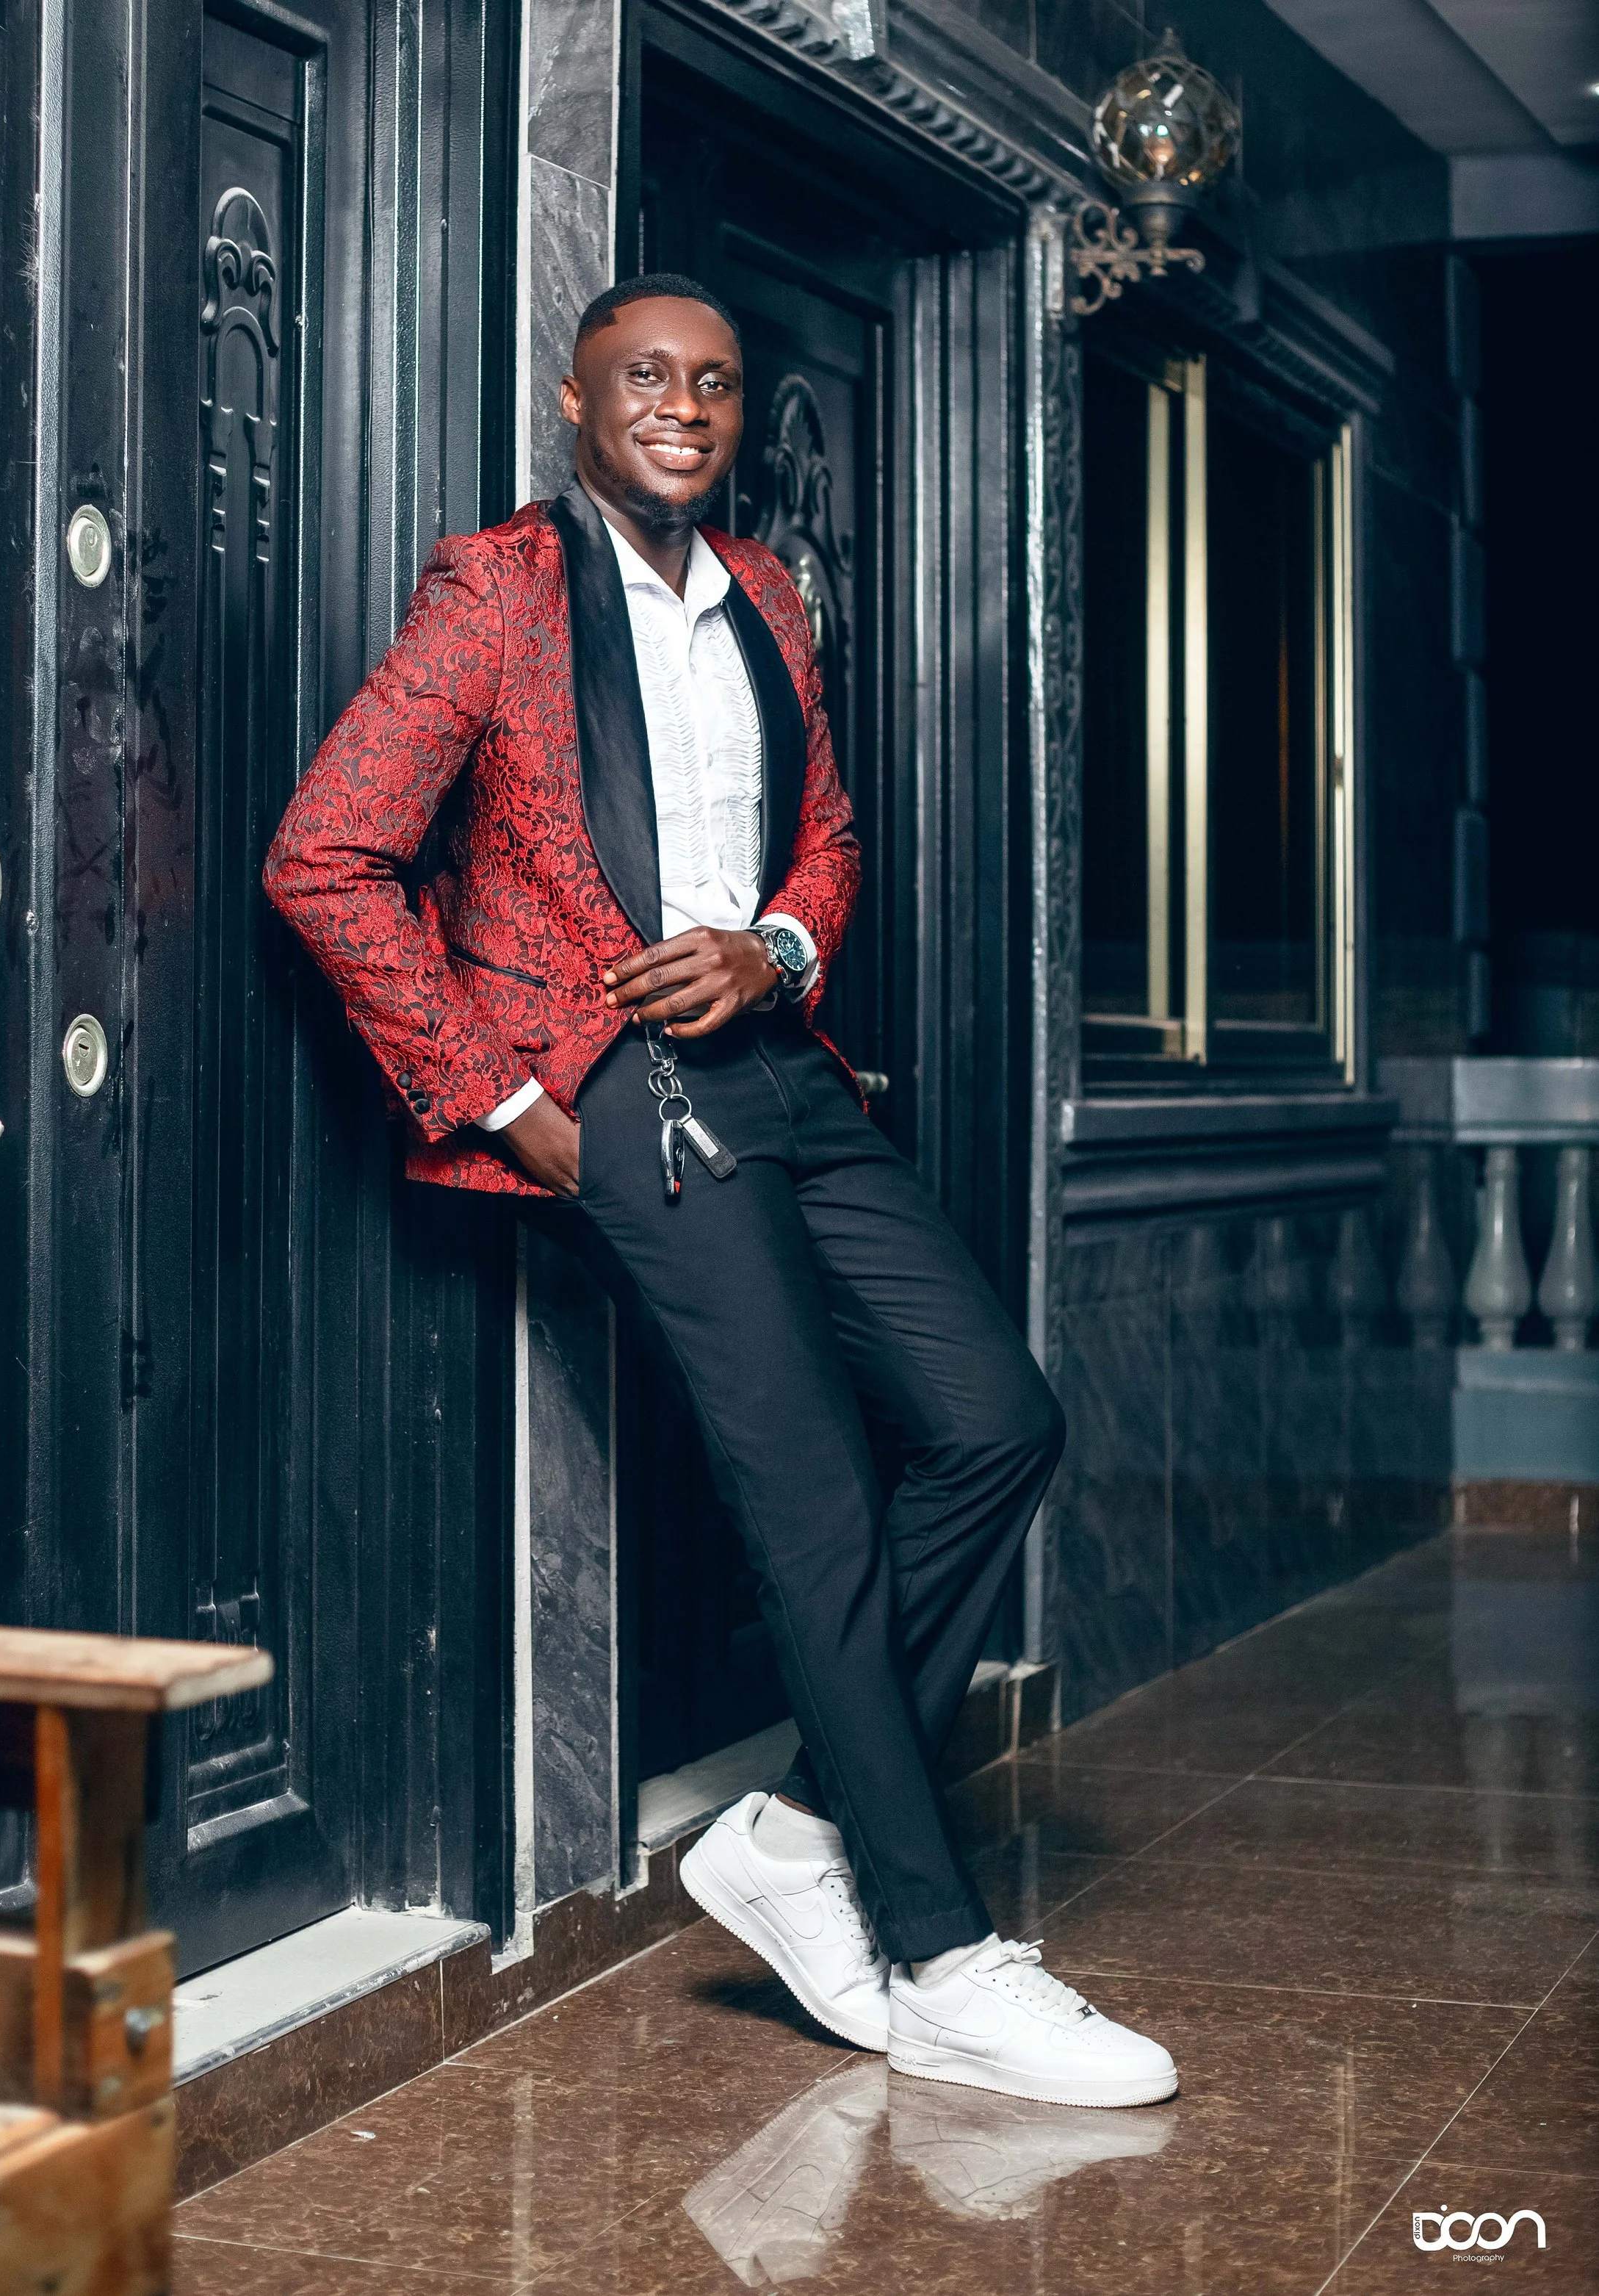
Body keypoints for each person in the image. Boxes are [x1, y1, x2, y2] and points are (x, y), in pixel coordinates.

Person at [264, 274, 1177, 2109]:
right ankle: (937, 1954)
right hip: (619, 1097)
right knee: (813, 1494)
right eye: (643, 379)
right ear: (576, 399)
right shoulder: (494, 590)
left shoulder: (765, 593)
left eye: (714, 381)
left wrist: (772, 947)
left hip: (776, 1065)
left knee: (997, 1420)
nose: (681, 405)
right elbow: (324, 853)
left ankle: (791, 1834)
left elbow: (826, 834)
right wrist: (505, 1093)